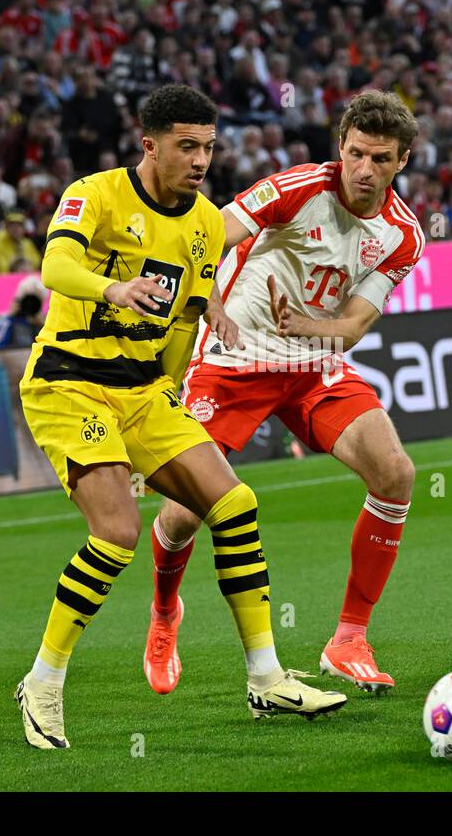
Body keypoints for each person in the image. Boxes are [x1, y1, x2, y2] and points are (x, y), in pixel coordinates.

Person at [14, 84, 346, 751]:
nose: (201, 160)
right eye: (187, 146)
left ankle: (266, 676)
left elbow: (185, 318)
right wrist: (112, 288)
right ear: (150, 145)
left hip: (143, 392)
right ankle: (43, 683)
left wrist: (184, 360)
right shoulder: (96, 193)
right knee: (117, 531)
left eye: (209, 147)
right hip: (70, 383)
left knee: (235, 502)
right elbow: (55, 264)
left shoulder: (202, 223)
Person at [144, 90, 423, 695]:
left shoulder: (403, 236)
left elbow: (350, 327)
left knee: (395, 473)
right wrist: (209, 302)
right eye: (355, 154)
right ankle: (165, 610)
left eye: (380, 158)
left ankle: (349, 639)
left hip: (311, 363)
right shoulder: (296, 188)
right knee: (185, 512)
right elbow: (205, 237)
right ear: (340, 147)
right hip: (233, 359)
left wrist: (309, 329)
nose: (364, 169)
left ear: (401, 161)